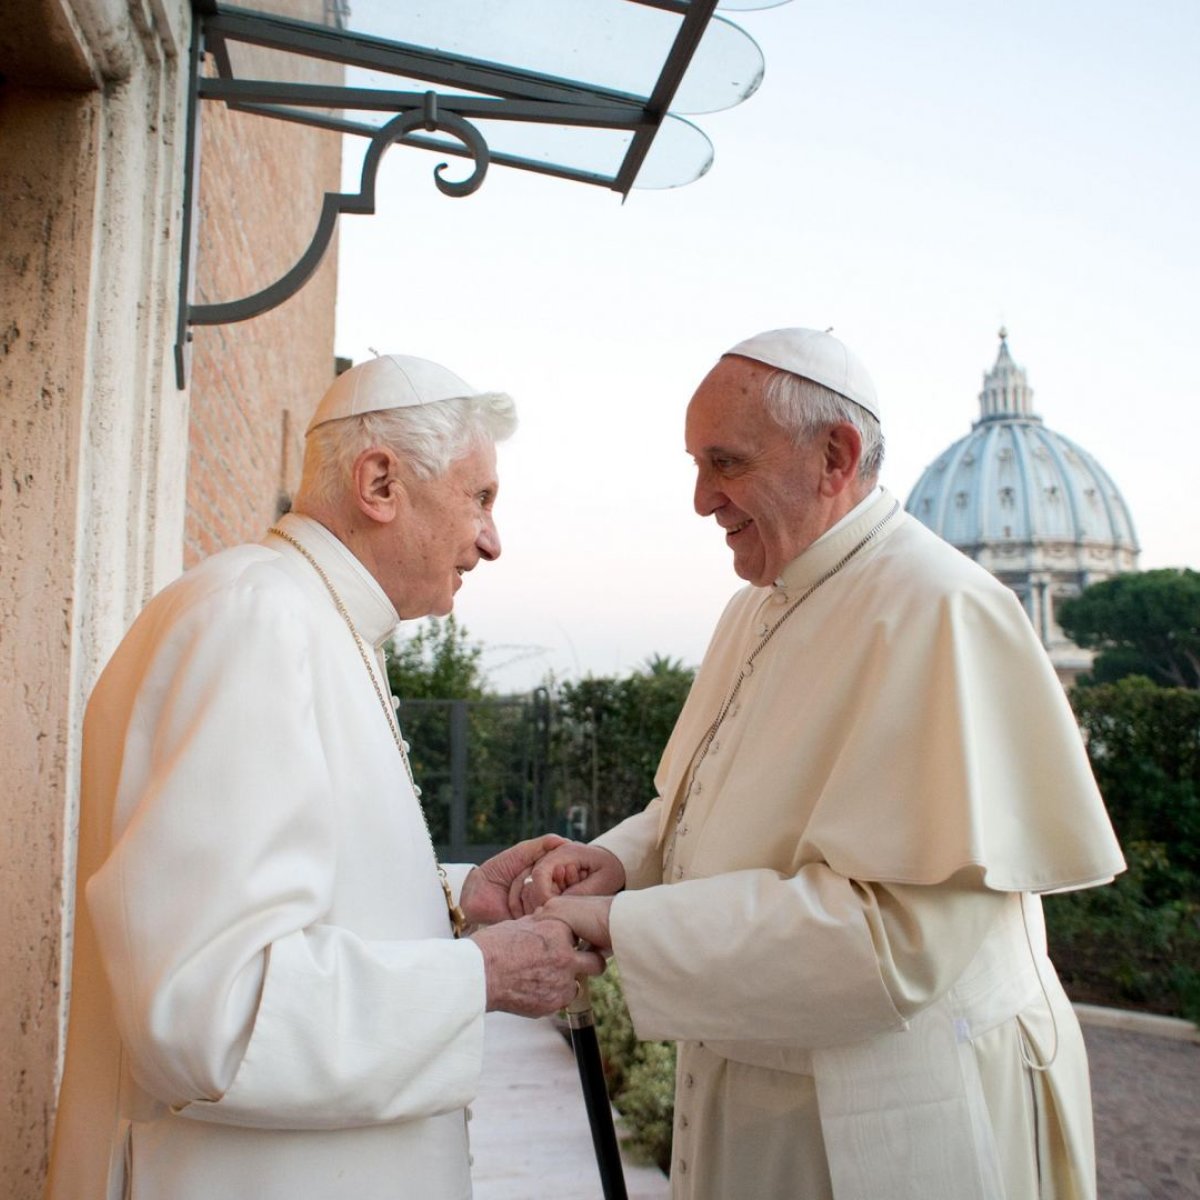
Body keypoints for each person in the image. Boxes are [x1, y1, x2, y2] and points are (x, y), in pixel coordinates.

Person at [521, 328, 1126, 1200]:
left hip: (888, 1114)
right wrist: (619, 862)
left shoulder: (940, 610)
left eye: (724, 463)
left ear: (834, 456)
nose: (700, 500)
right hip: (757, 1084)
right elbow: (696, 802)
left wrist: (623, 925)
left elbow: (895, 942)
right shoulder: (757, 607)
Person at [46, 354, 604, 1200]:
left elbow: (298, 897)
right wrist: (482, 973)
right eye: (480, 498)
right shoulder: (258, 620)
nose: (492, 540)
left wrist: (457, 907)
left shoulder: (311, 619)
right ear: (380, 482)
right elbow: (210, 1012)